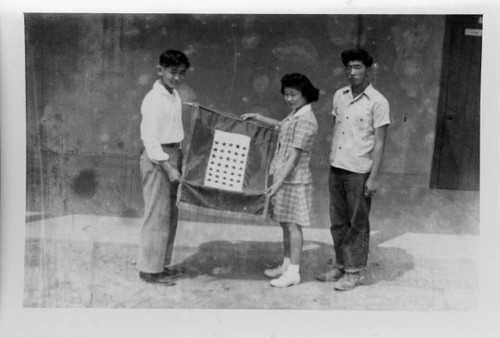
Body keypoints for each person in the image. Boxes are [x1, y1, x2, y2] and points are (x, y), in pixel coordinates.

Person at [316, 48, 390, 291]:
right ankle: (340, 265)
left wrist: (374, 177)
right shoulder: (340, 95)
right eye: (348, 67)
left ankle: (354, 271)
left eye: (357, 67)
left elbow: (380, 143)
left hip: (360, 171)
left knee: (357, 221)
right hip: (337, 166)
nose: (352, 72)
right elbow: (336, 127)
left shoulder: (378, 102)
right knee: (337, 220)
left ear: (369, 70)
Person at [242, 73, 319, 288]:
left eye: (293, 94)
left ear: (305, 93)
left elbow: (294, 157)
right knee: (285, 224)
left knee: (293, 226)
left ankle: (294, 272)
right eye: (286, 94)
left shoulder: (306, 120)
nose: (289, 99)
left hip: (294, 180)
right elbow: (281, 126)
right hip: (284, 179)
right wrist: (258, 117)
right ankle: (286, 265)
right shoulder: (295, 115)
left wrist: (277, 183)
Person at [137, 50, 190, 285]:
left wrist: (177, 160)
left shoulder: (174, 95)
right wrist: (168, 166)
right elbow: (149, 139)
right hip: (158, 157)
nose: (176, 77)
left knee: (169, 216)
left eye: (181, 73)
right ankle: (149, 270)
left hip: (173, 153)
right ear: (160, 70)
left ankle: (161, 265)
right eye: (172, 72)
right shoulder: (153, 98)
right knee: (157, 215)